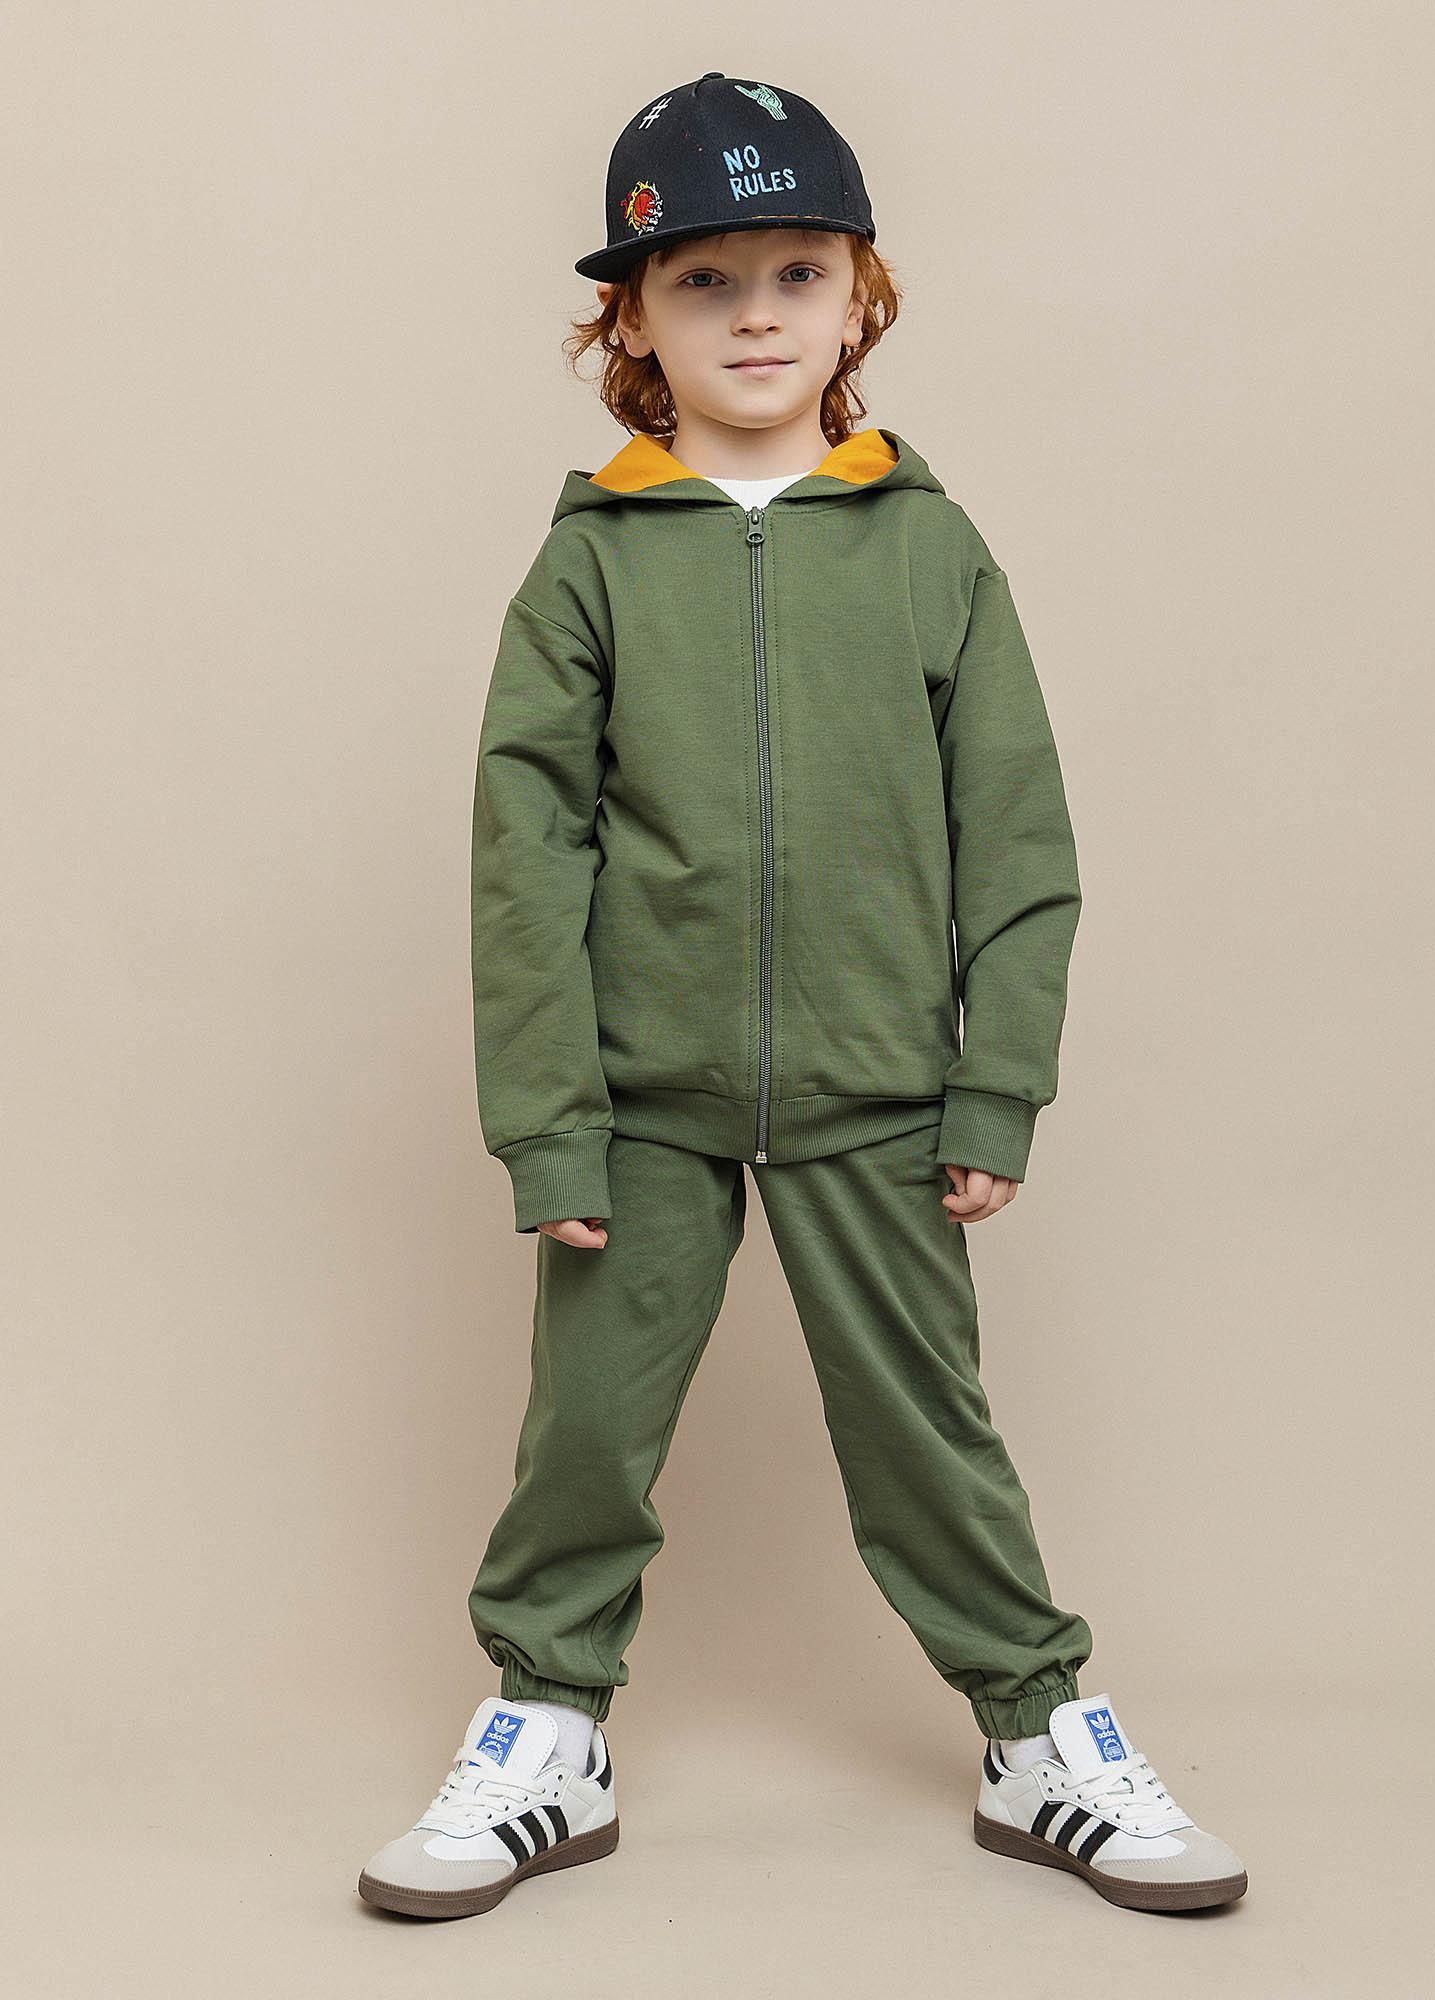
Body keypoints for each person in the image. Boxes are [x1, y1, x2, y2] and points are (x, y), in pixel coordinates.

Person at [358, 71, 1247, 1922]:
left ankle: (1037, 1734)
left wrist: (994, 1087)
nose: (754, 314)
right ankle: (548, 1726)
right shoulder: (590, 561)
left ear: (860, 302)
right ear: (632, 321)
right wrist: (550, 1123)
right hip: (640, 1104)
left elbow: (1021, 841)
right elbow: (525, 863)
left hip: (880, 1093)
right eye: (703, 280)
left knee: (930, 1435)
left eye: (797, 273)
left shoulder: (932, 548)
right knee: (585, 1440)